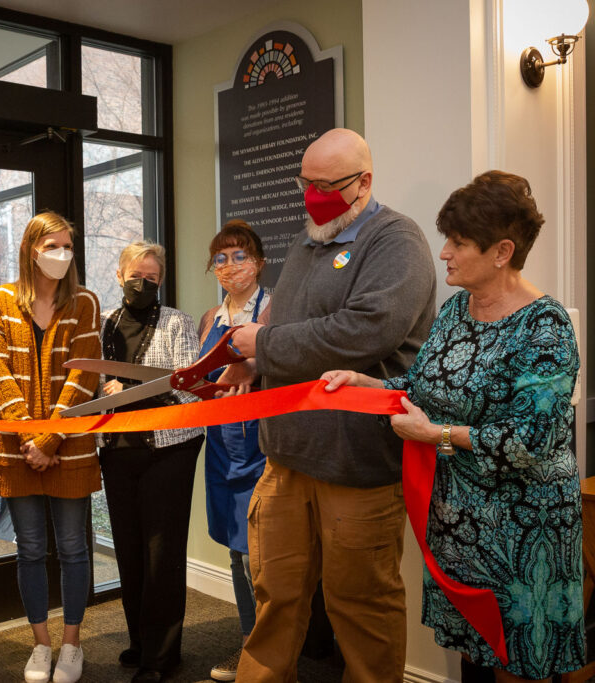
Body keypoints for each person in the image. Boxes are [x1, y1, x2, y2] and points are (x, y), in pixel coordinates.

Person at [322, 170, 584, 683]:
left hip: (524, 531)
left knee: (516, 662)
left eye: (458, 242)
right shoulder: (455, 312)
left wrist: (435, 436)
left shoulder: (545, 326)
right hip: (458, 522)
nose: (444, 252)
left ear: (502, 252)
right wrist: (363, 382)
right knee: (473, 655)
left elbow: (531, 441)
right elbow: (421, 387)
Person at [229, 128, 437, 682]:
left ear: (364, 182)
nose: (311, 195)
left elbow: (365, 332)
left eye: (325, 185)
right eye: (305, 183)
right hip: (286, 457)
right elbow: (288, 328)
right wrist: (255, 362)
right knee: (275, 597)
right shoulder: (307, 241)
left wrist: (266, 345)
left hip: (356, 465)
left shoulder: (397, 241)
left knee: (361, 606)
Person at [0, 211, 101, 683]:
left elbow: (85, 374)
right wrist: (30, 438)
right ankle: (41, 644)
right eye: (53, 246)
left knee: (73, 548)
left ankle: (71, 645)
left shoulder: (85, 302)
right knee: (29, 549)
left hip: (70, 447)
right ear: (31, 248)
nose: (62, 255)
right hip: (16, 451)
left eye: (68, 247)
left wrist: (50, 437)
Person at [97, 241, 205, 683]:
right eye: (136, 275)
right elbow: (92, 382)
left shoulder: (178, 322)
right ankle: (139, 642)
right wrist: (108, 390)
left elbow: (189, 387)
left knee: (162, 553)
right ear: (120, 275)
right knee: (128, 549)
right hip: (117, 449)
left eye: (153, 277)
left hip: (170, 449)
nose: (144, 283)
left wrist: (134, 390)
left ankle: (162, 656)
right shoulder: (102, 322)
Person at [196, 221, 269, 682]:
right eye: (221, 258)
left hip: (262, 445)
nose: (229, 266)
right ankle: (250, 645)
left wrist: (251, 365)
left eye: (240, 255)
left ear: (259, 262)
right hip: (220, 445)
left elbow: (290, 367)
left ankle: (265, 654)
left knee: (257, 555)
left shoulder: (276, 310)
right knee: (233, 551)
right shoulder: (210, 319)